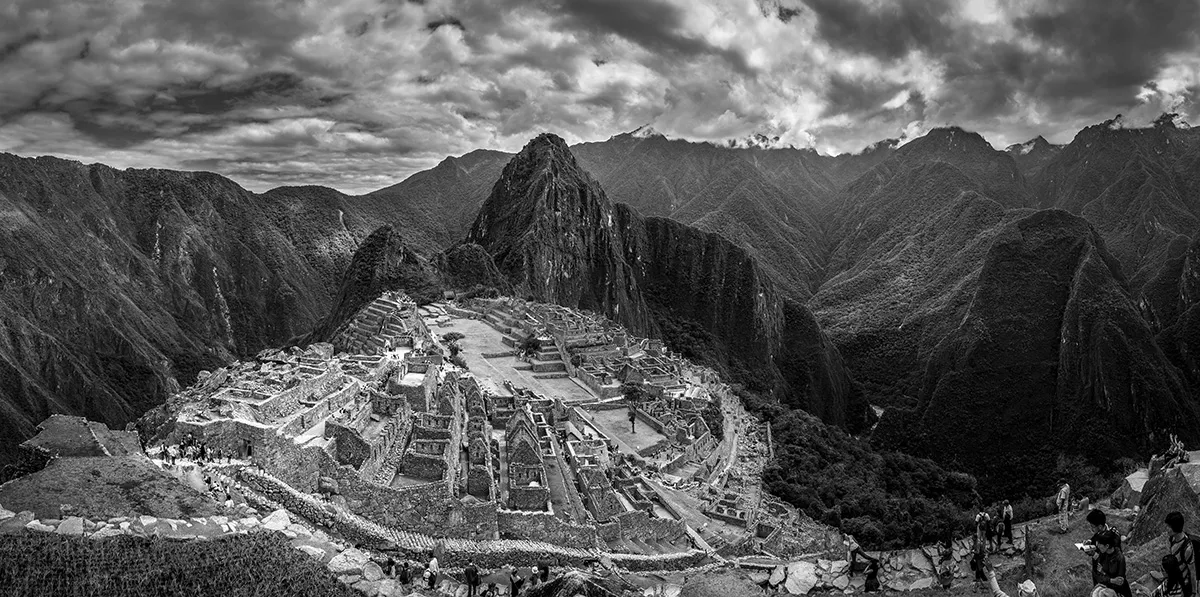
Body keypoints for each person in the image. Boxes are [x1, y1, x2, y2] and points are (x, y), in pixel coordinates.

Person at [1164, 511, 1196, 597]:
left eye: (1169, 527)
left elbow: (1192, 572)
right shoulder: (1171, 539)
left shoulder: (1187, 548)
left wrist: (1194, 592)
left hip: (1182, 587)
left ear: (1176, 527)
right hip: (1173, 581)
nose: (1167, 529)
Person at [1093, 530, 1132, 597]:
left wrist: (1104, 574)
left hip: (1120, 591)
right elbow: (1097, 576)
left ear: (1107, 546)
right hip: (1106, 587)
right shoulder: (1102, 554)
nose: (1097, 546)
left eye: (1100, 544)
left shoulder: (1119, 558)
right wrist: (1111, 580)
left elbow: (1120, 581)